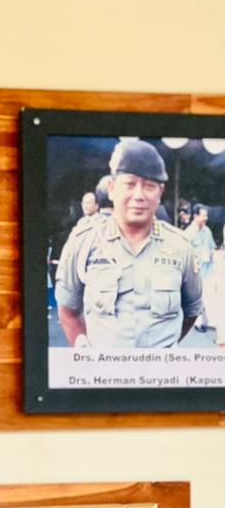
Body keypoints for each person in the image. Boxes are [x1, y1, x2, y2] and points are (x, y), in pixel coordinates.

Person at [55, 139, 203, 350]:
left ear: (160, 193)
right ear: (112, 188)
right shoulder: (83, 241)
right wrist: (85, 352)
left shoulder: (181, 247)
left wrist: (163, 351)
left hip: (162, 370)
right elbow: (68, 311)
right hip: (103, 370)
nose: (139, 196)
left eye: (149, 186)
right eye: (130, 184)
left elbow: (192, 310)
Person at [185, 204, 215, 328]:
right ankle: (197, 323)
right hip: (195, 273)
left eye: (206, 216)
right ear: (195, 216)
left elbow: (212, 247)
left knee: (209, 296)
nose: (206, 218)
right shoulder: (188, 233)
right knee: (196, 299)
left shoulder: (207, 231)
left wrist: (211, 255)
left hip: (208, 270)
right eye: (203, 216)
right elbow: (186, 254)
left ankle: (206, 321)